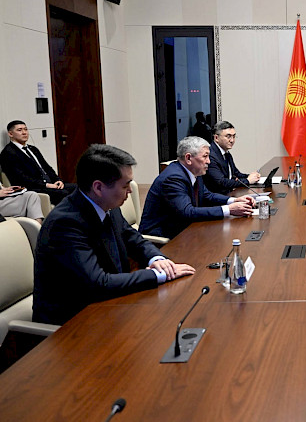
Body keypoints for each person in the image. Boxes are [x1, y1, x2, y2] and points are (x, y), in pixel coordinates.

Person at [33, 144, 196, 325]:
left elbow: (133, 238)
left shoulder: (107, 205)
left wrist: (156, 259)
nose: (131, 191)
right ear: (98, 187)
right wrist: (157, 275)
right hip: (73, 322)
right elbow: (98, 283)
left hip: (110, 305)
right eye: (125, 185)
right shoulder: (65, 223)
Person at [139, 136, 255, 239]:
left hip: (185, 229)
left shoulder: (194, 172)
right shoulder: (173, 178)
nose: (209, 161)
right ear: (188, 158)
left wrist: (234, 200)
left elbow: (207, 195)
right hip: (163, 237)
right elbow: (187, 212)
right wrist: (229, 209)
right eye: (205, 156)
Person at [0, 120, 77, 205]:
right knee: (63, 193)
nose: (24, 133)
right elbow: (22, 178)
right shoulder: (8, 153)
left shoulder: (33, 149)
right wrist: (46, 185)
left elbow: (47, 168)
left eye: (25, 129)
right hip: (33, 187)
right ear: (10, 134)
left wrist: (58, 180)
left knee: (77, 187)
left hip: (49, 183)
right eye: (19, 130)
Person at [204, 121, 261, 194]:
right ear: (216, 138)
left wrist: (251, 176)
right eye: (228, 136)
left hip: (229, 193)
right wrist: (248, 180)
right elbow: (221, 182)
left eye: (234, 136)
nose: (232, 140)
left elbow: (236, 174)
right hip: (218, 197)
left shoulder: (226, 153)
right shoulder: (210, 155)